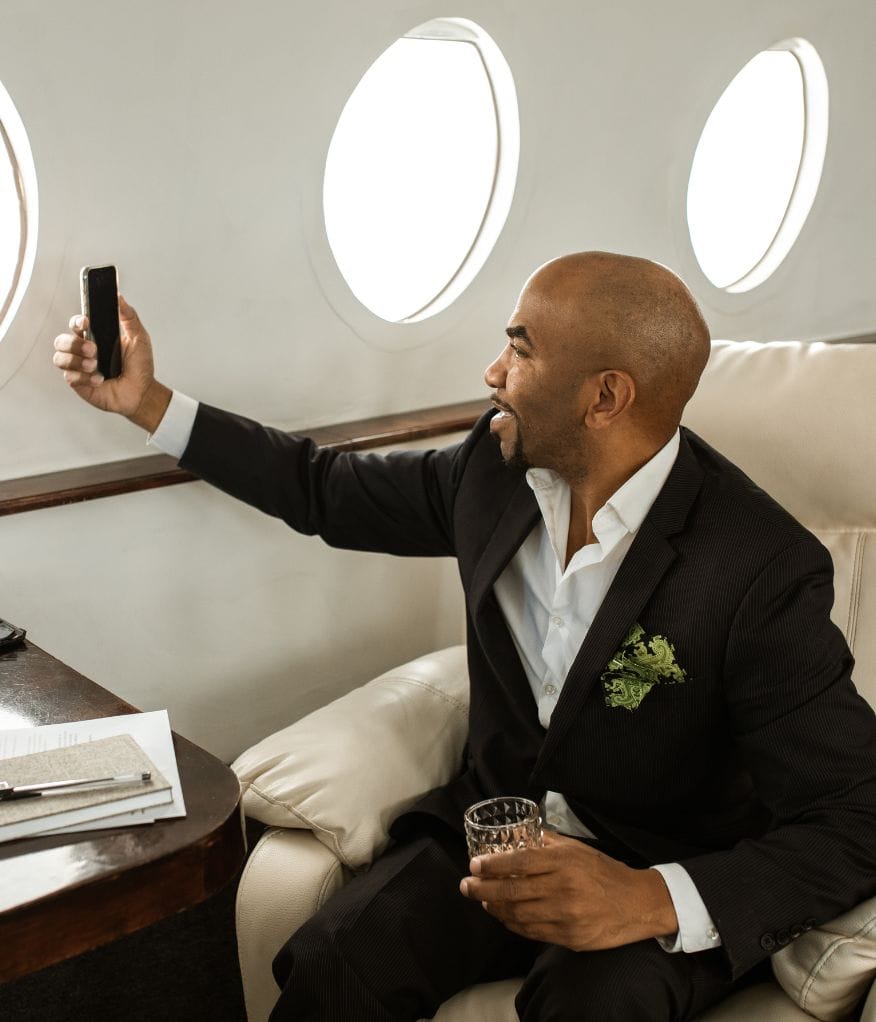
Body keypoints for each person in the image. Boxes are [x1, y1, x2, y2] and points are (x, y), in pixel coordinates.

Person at [53, 252, 876, 1021]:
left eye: (519, 351)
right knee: (333, 961)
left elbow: (854, 813)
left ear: (604, 397)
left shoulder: (756, 566)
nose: (492, 374)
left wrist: (650, 899)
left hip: (651, 865)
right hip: (492, 833)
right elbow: (322, 489)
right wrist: (149, 406)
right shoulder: (492, 469)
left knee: (593, 1007)